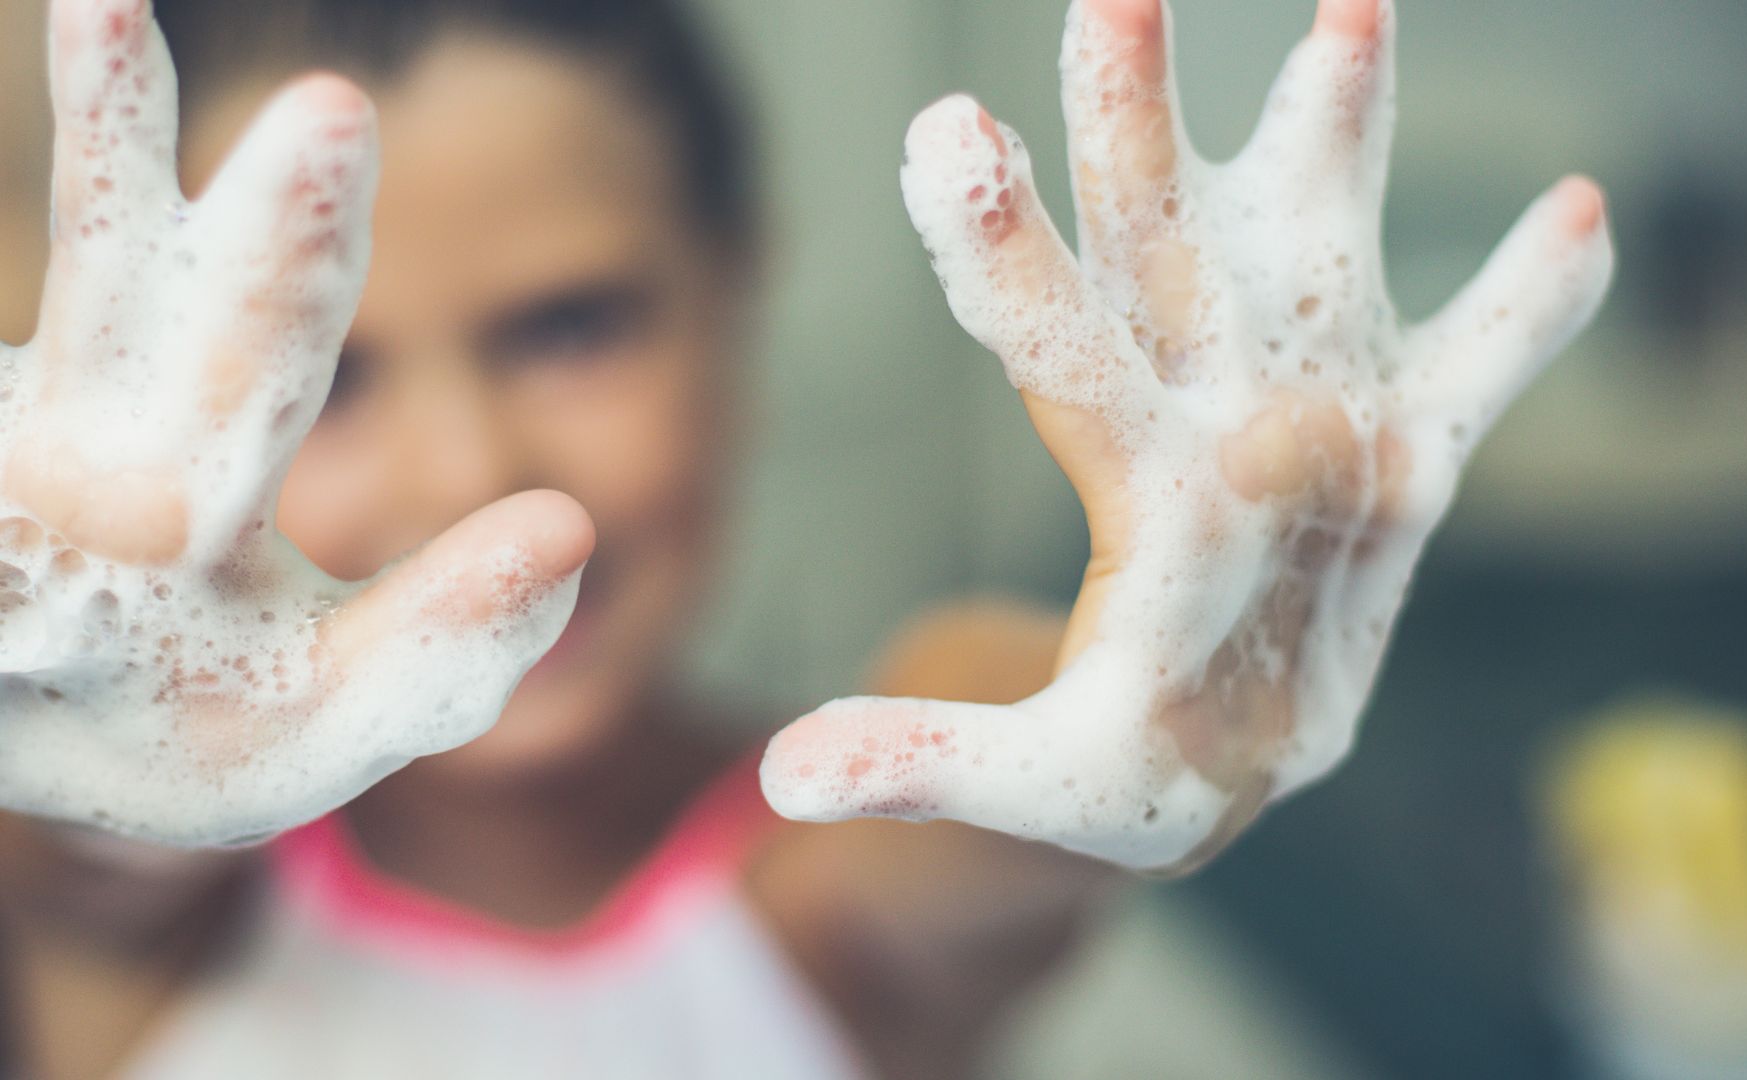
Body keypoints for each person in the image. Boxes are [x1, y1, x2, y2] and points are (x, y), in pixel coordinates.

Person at [0, 0, 1613, 1075]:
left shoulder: (832, 880)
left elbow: (987, 742)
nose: (467, 470)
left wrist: (1141, 710)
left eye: (572, 326)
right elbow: (79, 856)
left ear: (737, 294)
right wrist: (75, 687)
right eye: (329, 375)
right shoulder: (139, 885)